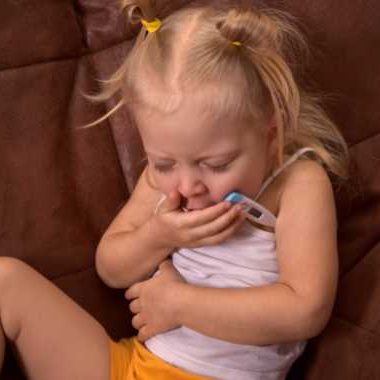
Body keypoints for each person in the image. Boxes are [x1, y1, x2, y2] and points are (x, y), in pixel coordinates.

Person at [0, 1, 349, 380]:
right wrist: (158, 235)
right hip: (131, 367)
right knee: (5, 282)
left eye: (216, 165)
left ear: (271, 134)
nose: (187, 186)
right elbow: (111, 267)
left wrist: (179, 304)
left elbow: (305, 310)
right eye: (165, 163)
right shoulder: (163, 184)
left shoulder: (297, 184)